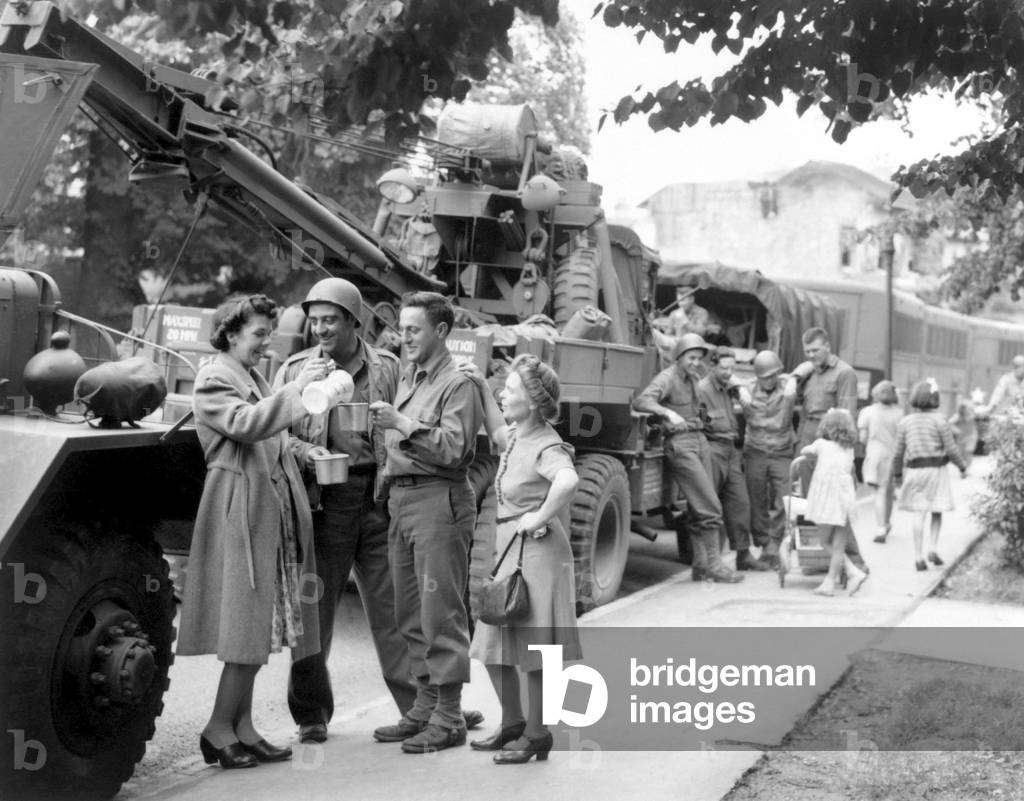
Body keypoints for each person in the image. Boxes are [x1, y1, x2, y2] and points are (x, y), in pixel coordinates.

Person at [177, 294, 323, 769]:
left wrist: (302, 452)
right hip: (239, 507)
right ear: (232, 332)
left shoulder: (254, 376)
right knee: (245, 625)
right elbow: (245, 425)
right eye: (259, 334)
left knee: (260, 625)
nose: (266, 344)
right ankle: (218, 728)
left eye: (268, 335)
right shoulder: (215, 377)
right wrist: (298, 391)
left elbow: (274, 437)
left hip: (265, 511)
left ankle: (242, 726)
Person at [275, 278, 417, 744]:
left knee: (395, 611)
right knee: (312, 614)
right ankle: (311, 714)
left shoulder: (389, 369)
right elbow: (274, 433)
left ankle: (417, 709)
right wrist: (306, 453)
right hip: (323, 504)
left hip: (377, 501)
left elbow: (410, 420)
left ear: (355, 322)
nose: (320, 328)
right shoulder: (297, 369)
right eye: (314, 320)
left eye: (330, 319)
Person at [369, 291, 485, 753]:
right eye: (403, 329)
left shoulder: (459, 384)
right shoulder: (410, 376)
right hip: (403, 502)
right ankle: (425, 703)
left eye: (414, 329)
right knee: (409, 612)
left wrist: (401, 423)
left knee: (442, 613)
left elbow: (455, 450)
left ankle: (450, 715)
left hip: (440, 503)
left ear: (440, 332)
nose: (405, 337)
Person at [467, 354, 580, 765]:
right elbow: (498, 432)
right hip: (511, 547)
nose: (503, 394)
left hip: (538, 551)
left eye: (510, 389)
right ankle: (512, 723)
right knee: (492, 639)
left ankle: (537, 734)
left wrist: (538, 516)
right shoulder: (517, 434)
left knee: (535, 649)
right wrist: (481, 385)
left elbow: (568, 479)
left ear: (531, 401)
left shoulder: (547, 442)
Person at [633, 333, 743, 583]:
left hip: (699, 439)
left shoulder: (693, 378)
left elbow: (701, 407)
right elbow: (642, 400)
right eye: (691, 357)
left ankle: (700, 565)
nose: (695, 362)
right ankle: (714, 565)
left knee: (699, 506)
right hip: (680, 443)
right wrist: (667, 413)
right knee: (710, 505)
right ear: (679, 356)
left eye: (698, 358)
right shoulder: (667, 378)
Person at [792, 326, 868, 573]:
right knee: (809, 505)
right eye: (807, 351)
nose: (811, 355)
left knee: (838, 508)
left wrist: (844, 453)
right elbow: (803, 410)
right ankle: (816, 561)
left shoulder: (845, 373)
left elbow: (847, 417)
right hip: (808, 440)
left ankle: (855, 563)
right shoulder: (809, 373)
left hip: (833, 446)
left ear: (827, 347)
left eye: (815, 350)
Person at [696, 347, 769, 571]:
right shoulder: (702, 390)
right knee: (710, 506)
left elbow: (739, 382)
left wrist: (738, 385)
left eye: (731, 368)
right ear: (711, 367)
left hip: (730, 449)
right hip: (712, 448)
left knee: (740, 504)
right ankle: (706, 563)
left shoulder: (729, 385)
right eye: (724, 368)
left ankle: (743, 555)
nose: (728, 372)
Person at [892, 379, 968, 571]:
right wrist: (962, 466)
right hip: (936, 470)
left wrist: (897, 475)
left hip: (915, 471)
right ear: (935, 399)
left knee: (919, 513)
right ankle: (932, 548)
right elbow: (951, 449)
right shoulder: (940, 421)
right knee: (936, 510)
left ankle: (918, 556)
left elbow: (897, 453)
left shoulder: (905, 422)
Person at [738, 350, 798, 568]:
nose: (770, 380)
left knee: (784, 499)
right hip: (756, 451)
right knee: (756, 500)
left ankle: (776, 541)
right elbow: (728, 378)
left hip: (781, 451)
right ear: (758, 377)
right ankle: (764, 544)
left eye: (773, 375)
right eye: (765, 377)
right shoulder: (749, 388)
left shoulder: (786, 386)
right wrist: (741, 390)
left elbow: (805, 368)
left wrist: (792, 382)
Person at [799, 409, 868, 597]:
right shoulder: (849, 449)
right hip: (845, 499)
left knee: (824, 541)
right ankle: (830, 582)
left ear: (827, 427)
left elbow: (806, 451)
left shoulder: (821, 444)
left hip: (828, 500)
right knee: (838, 545)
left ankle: (853, 572)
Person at [857, 380, 903, 544]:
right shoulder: (900, 414)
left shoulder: (867, 412)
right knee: (889, 491)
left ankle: (880, 527)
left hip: (875, 454)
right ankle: (888, 522)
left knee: (879, 492)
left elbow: (862, 438)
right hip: (893, 455)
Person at [949, 399, 978, 468]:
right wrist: (956, 430)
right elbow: (949, 423)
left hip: (971, 437)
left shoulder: (972, 415)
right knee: (961, 454)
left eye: (969, 409)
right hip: (961, 439)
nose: (968, 411)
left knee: (968, 452)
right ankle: (963, 467)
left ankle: (967, 467)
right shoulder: (958, 416)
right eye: (966, 409)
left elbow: (983, 411)